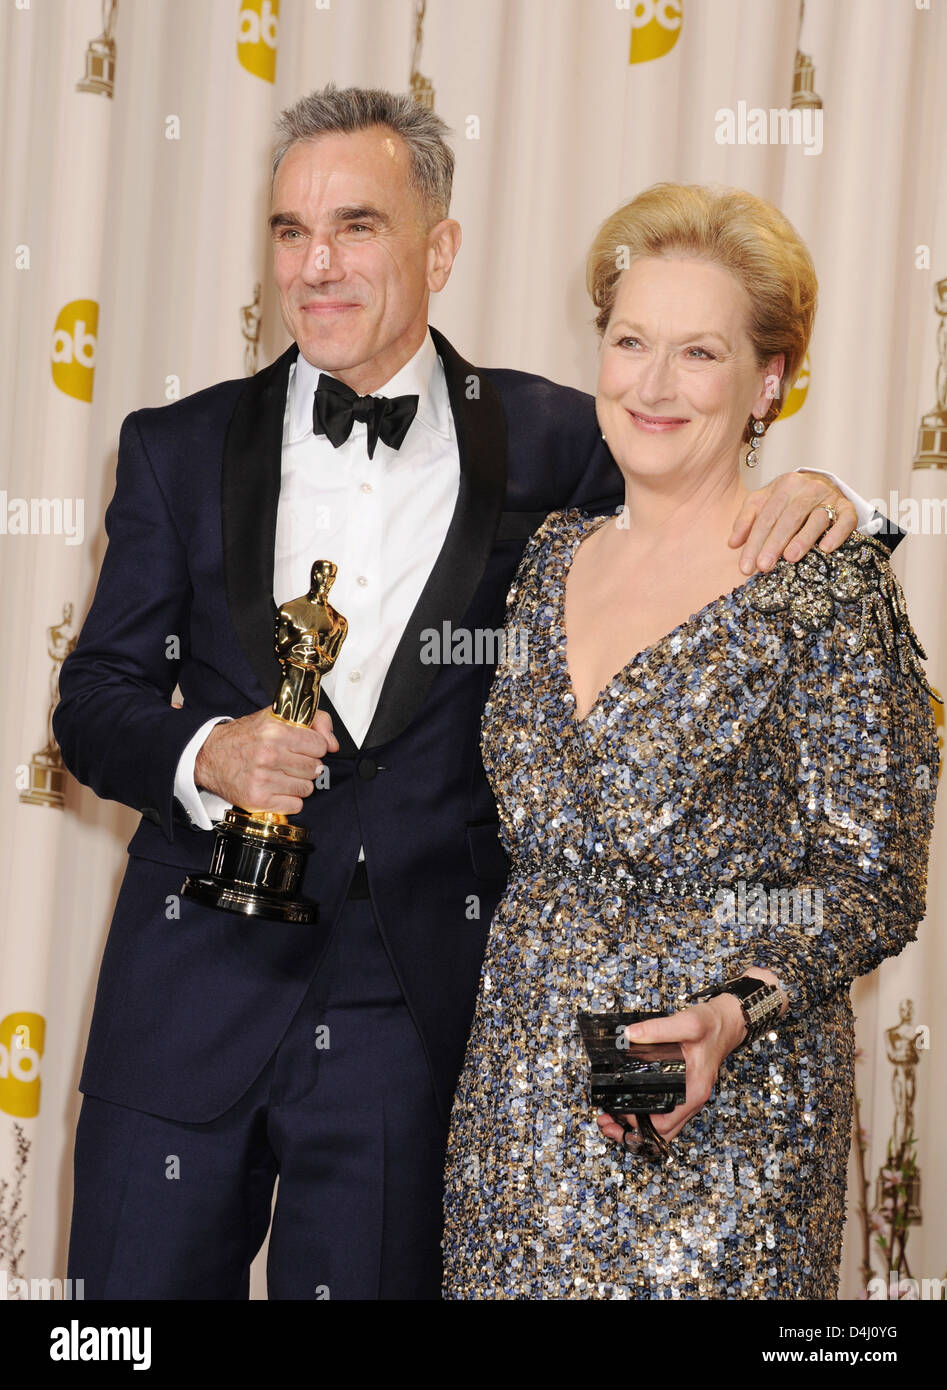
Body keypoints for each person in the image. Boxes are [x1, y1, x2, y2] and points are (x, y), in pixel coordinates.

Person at [56, 89, 892, 1301]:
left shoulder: (555, 438)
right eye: (290, 231)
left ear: (439, 246)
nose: (318, 264)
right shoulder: (173, 446)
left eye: (355, 224)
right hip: (184, 1000)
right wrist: (207, 755)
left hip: (415, 1027)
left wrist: (841, 496)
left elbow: (703, 467)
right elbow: (94, 698)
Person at [441, 183, 938, 1300]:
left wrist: (729, 1012)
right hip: (516, 1111)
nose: (652, 385)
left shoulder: (821, 585)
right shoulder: (545, 563)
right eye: (630, 342)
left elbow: (870, 884)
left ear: (767, 380)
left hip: (727, 1128)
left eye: (699, 353)